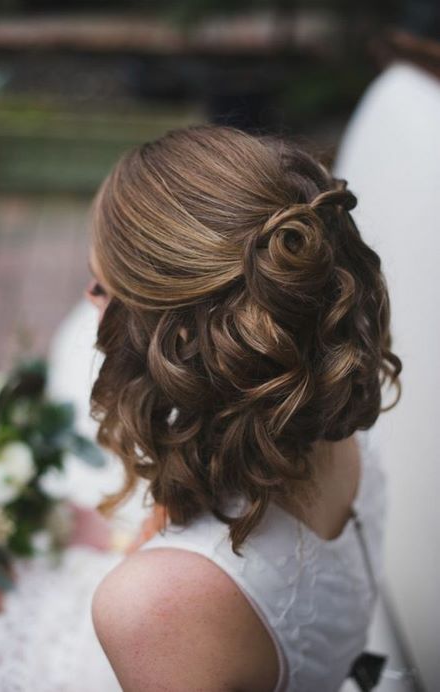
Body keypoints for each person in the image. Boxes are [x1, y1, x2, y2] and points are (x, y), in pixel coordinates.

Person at [87, 124, 402, 692]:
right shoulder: (336, 418)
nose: (91, 303)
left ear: (164, 340)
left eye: (100, 289)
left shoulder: (152, 605)